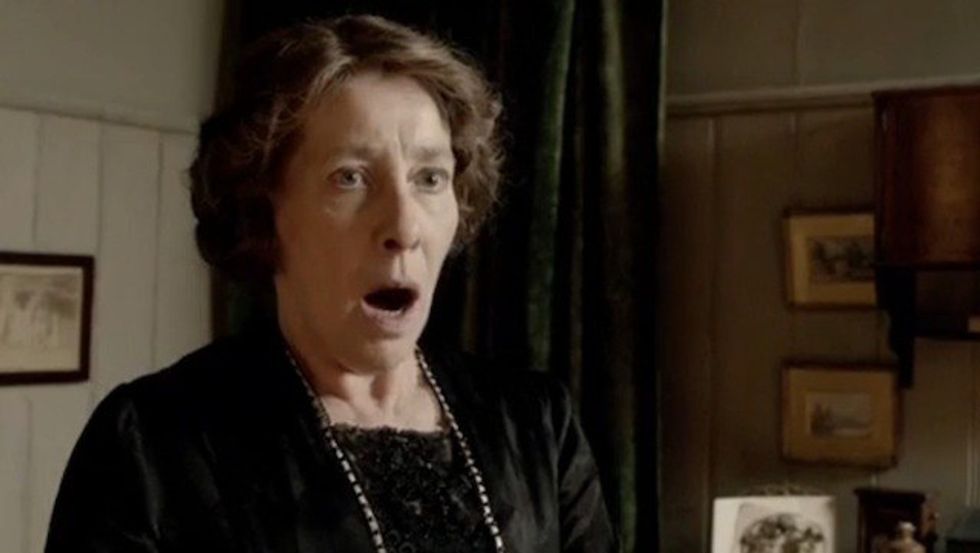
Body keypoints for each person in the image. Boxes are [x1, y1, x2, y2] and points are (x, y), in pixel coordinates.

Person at [46, 15, 615, 553]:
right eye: (350, 178)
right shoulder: (153, 444)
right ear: (264, 213)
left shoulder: (538, 425)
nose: (404, 227)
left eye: (429, 178)